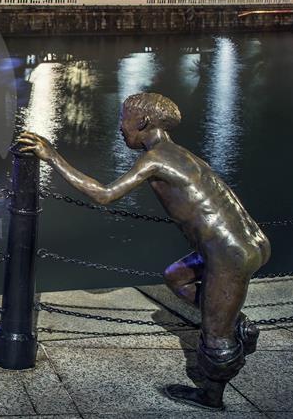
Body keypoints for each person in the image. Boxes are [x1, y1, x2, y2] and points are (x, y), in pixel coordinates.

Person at [16, 92, 270, 410]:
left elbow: (105, 194)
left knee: (215, 336)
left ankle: (211, 394)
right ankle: (237, 322)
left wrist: (51, 155)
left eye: (124, 118)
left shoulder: (155, 158)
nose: (121, 126)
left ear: (143, 121)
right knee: (176, 277)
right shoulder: (180, 154)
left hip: (228, 252)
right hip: (250, 241)